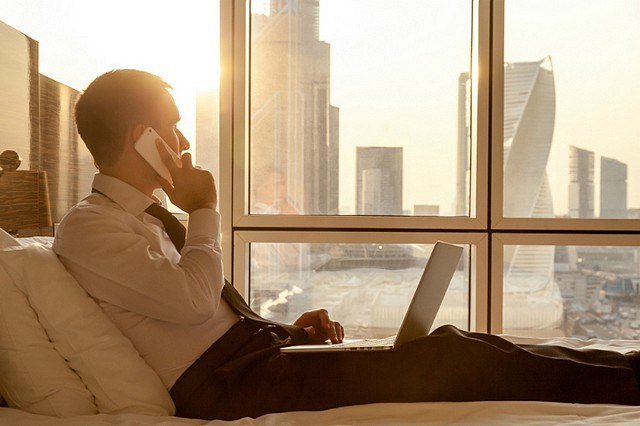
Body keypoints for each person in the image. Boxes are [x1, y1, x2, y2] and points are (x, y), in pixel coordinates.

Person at [54, 69, 640, 421]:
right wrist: (205, 209)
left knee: (456, 343)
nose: (183, 143)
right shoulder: (89, 227)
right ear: (143, 137)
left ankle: (628, 368)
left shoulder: (150, 219)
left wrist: (286, 332)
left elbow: (194, 311)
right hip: (228, 388)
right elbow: (190, 302)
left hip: (256, 360)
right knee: (448, 358)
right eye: (173, 128)